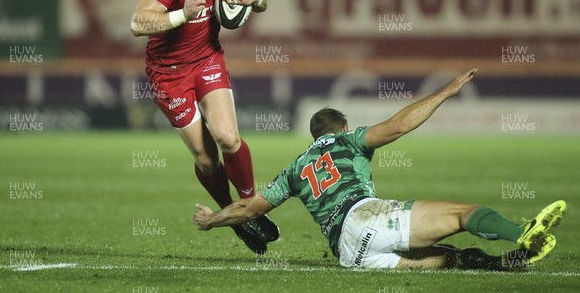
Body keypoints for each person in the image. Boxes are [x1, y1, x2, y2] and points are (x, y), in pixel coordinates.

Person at [192, 68, 566, 269]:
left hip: (350, 254)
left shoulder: (294, 170)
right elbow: (399, 126)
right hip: (365, 218)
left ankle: (510, 263)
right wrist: (446, 92)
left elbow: (248, 209)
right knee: (463, 215)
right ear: (340, 128)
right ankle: (522, 233)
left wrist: (211, 221)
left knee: (448, 258)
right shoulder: (346, 141)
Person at [130, 0, 277, 254]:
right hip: (169, 73)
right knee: (207, 160)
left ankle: (248, 209)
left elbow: (258, 0)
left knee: (228, 136)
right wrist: (183, 13)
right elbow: (138, 23)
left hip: (208, 58)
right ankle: (231, 213)